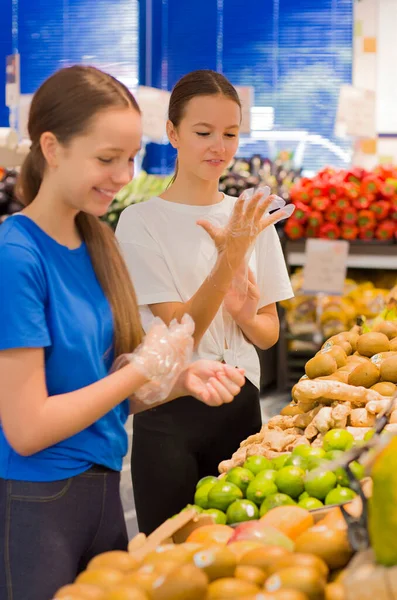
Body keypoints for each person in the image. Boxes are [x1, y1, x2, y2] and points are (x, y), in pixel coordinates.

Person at [0, 65, 246, 600]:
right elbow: (28, 428)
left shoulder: (98, 245)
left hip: (103, 490)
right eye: (106, 159)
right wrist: (141, 368)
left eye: (130, 159)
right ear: (52, 147)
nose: (121, 175)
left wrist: (175, 381)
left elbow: (98, 392)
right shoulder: (15, 256)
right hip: (35, 502)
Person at [116, 69, 294, 535]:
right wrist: (230, 256)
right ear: (172, 132)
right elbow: (181, 331)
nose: (219, 146)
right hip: (169, 410)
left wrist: (243, 313)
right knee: (171, 552)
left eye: (230, 134)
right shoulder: (140, 223)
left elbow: (268, 331)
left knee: (241, 544)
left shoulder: (251, 214)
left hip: (242, 403)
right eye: (203, 132)